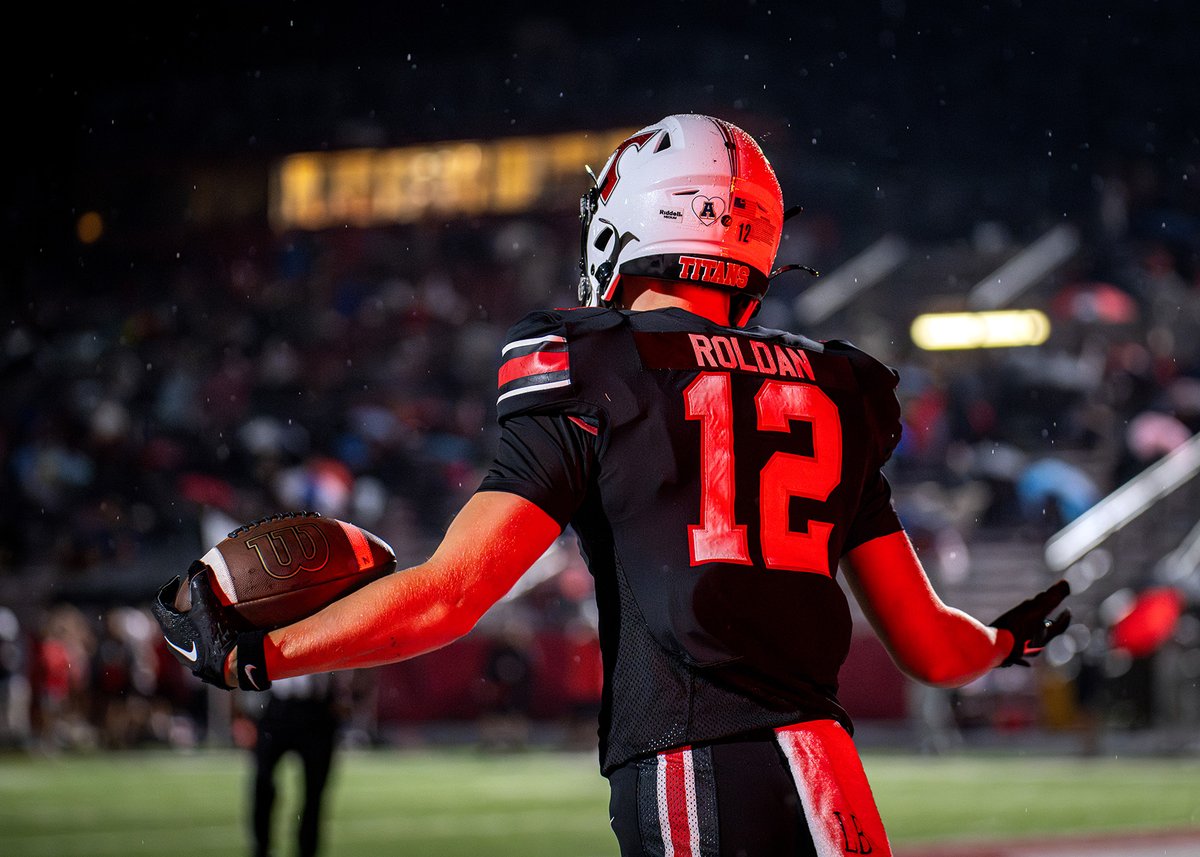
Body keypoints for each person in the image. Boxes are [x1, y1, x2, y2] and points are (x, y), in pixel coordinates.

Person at [153, 113, 1071, 857]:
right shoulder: (836, 386)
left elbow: (450, 593)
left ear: (633, 220)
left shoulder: (592, 363)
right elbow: (931, 646)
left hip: (693, 771)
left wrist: (259, 656)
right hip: (829, 777)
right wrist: (1004, 638)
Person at [246, 673, 344, 857]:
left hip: (317, 708)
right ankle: (261, 848)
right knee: (262, 782)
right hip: (277, 705)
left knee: (315, 792)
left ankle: (307, 850)